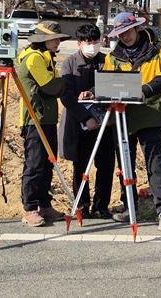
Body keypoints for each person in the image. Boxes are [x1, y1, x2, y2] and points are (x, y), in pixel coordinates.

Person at [103, 12, 161, 237]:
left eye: (127, 32)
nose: (124, 37)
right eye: (120, 34)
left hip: (149, 113)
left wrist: (144, 91)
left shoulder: (158, 49)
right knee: (125, 166)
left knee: (155, 165)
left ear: (136, 28)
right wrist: (95, 91)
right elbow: (108, 82)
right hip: (123, 117)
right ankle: (130, 206)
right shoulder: (113, 57)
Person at [58, 24, 115, 219]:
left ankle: (101, 206)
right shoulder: (70, 63)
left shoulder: (106, 61)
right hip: (80, 123)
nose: (92, 46)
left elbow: (112, 85)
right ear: (79, 43)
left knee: (106, 165)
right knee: (81, 165)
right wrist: (86, 117)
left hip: (105, 122)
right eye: (88, 42)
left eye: (95, 41)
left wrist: (93, 92)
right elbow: (66, 96)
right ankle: (81, 206)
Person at [17, 21, 70, 227]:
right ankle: (30, 208)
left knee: (48, 163)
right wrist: (65, 82)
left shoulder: (46, 57)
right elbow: (51, 87)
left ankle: (44, 204)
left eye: (58, 39)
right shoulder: (34, 58)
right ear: (44, 40)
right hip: (34, 119)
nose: (58, 43)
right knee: (35, 163)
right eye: (54, 39)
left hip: (46, 118)